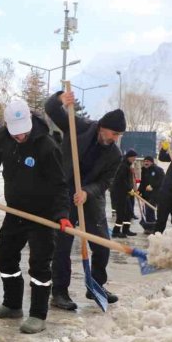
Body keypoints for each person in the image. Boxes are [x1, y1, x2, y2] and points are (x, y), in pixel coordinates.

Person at [0, 100, 69, 334]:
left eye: (24, 132)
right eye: (16, 132)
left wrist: (62, 214)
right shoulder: (2, 137)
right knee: (5, 257)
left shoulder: (46, 145)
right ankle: (12, 304)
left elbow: (60, 185)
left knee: (39, 265)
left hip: (42, 215)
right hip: (15, 210)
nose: (20, 137)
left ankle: (38, 315)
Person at [44, 90, 124, 310]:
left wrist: (88, 192)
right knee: (62, 245)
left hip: (90, 197)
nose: (115, 138)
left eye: (118, 135)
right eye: (114, 133)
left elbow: (106, 182)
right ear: (103, 127)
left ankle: (95, 285)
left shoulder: (115, 155)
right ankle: (59, 293)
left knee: (102, 244)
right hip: (64, 192)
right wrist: (61, 99)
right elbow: (51, 109)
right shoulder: (78, 126)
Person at [110, 149, 138, 238]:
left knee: (128, 212)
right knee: (121, 213)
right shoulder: (123, 166)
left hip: (125, 192)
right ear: (129, 157)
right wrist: (129, 189)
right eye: (133, 157)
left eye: (135, 157)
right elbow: (122, 180)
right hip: (120, 193)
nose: (134, 159)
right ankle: (116, 231)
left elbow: (127, 180)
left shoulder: (127, 166)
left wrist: (131, 189)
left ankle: (126, 230)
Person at [136, 155, 164, 233]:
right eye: (145, 161)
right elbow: (143, 182)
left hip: (156, 193)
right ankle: (149, 227)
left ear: (151, 162)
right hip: (147, 194)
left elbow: (162, 180)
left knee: (150, 209)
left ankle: (153, 227)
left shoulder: (158, 170)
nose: (146, 163)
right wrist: (139, 191)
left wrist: (153, 186)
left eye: (147, 161)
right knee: (146, 211)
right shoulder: (144, 170)